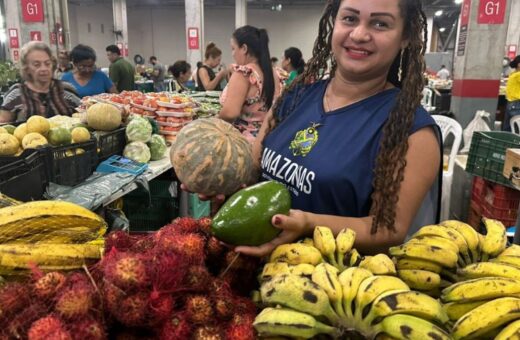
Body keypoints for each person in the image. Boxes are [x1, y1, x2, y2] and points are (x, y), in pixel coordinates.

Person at [222, 0, 439, 257]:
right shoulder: (295, 96)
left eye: (380, 24)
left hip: (326, 286)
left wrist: (308, 225)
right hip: (249, 269)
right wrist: (219, 179)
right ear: (333, 23)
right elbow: (254, 169)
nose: (359, 34)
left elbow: (387, 231)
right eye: (349, 19)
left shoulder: (411, 130)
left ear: (405, 37)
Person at [218, 25, 281, 143]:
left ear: (244, 48)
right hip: (268, 139)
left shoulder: (244, 73)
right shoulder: (273, 72)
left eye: (233, 48)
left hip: (244, 144)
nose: (232, 54)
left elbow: (230, 112)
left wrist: (213, 121)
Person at [0, 42, 80, 123]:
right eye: (37, 65)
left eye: (47, 63)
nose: (44, 68)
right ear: (26, 68)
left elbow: (83, 116)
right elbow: (3, 125)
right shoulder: (16, 94)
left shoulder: (66, 89)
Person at [503, 55, 520, 132]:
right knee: (516, 129)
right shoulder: (518, 75)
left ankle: (506, 143)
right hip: (516, 104)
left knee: (508, 128)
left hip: (511, 103)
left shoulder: (513, 74)